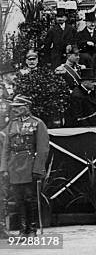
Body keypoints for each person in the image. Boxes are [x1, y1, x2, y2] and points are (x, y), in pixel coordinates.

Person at [0, 95, 50, 236]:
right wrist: (4, 168)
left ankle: (32, 229)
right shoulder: (12, 124)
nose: (15, 109)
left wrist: (38, 169)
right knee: (18, 199)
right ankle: (23, 229)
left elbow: (42, 148)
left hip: (29, 165)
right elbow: (6, 149)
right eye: (14, 107)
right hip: (14, 166)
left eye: (18, 107)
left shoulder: (37, 124)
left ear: (26, 107)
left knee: (30, 198)